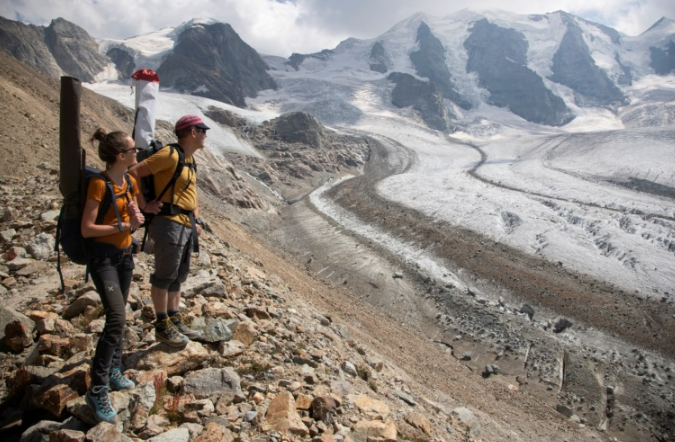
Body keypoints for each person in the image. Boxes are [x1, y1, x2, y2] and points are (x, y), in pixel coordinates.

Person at [81, 128, 145, 423]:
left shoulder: (129, 181)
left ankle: (115, 369)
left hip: (124, 256)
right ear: (121, 156)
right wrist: (123, 227)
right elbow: (87, 228)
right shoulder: (98, 184)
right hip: (103, 258)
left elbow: (131, 220)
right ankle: (97, 388)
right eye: (133, 151)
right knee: (117, 317)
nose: (137, 154)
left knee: (118, 317)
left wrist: (134, 221)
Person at [129, 115, 206, 347]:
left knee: (178, 274)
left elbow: (192, 193)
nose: (205, 134)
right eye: (203, 129)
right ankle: (162, 325)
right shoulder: (170, 154)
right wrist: (143, 205)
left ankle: (174, 319)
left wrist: (196, 219)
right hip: (168, 222)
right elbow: (133, 173)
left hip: (184, 223)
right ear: (192, 132)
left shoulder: (189, 160)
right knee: (165, 275)